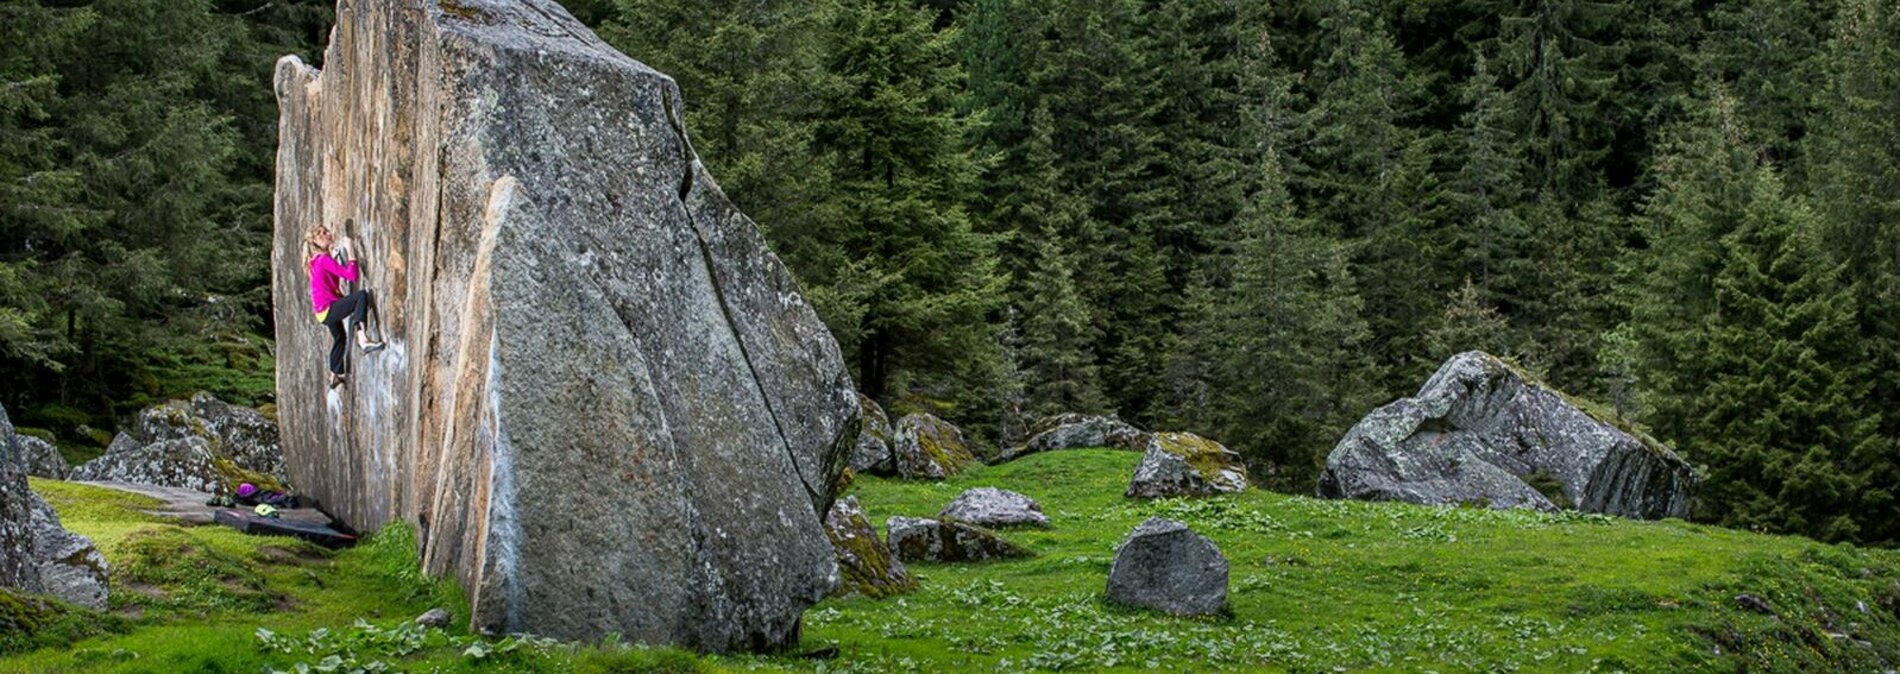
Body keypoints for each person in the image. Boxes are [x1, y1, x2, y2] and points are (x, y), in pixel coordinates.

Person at [305, 222, 384, 388]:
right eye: (321, 234)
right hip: (328, 309)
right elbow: (352, 276)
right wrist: (351, 250)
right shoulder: (323, 260)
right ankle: (363, 340)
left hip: (321, 312)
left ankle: (334, 374)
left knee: (340, 338)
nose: (327, 234)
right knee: (360, 296)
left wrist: (333, 258)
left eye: (326, 231)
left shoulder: (314, 261)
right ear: (315, 242)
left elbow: (327, 279)